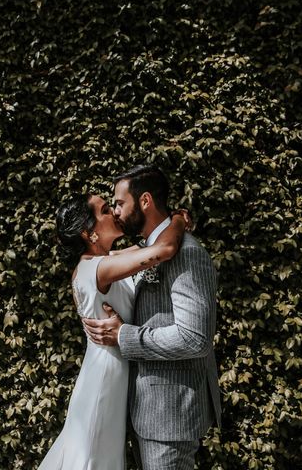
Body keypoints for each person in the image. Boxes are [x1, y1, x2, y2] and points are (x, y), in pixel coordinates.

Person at [82, 165, 222, 470]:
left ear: (144, 201)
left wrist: (124, 335)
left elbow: (194, 338)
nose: (116, 212)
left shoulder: (186, 253)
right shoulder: (146, 250)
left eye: (119, 203)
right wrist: (177, 220)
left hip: (169, 416)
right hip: (143, 410)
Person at [38, 193, 190, 470]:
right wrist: (179, 218)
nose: (114, 213)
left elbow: (152, 245)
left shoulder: (102, 261)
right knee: (93, 459)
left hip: (111, 371)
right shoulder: (100, 268)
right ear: (89, 233)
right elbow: (166, 249)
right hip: (105, 380)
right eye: (105, 210)